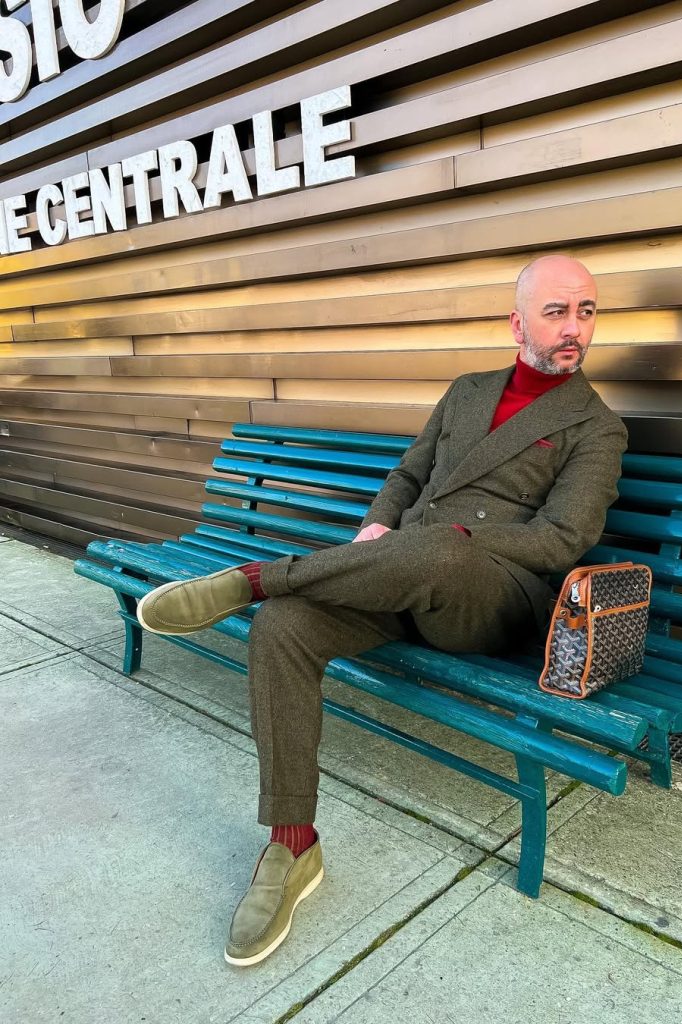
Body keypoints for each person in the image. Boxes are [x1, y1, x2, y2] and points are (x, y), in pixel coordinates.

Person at [136, 254, 628, 967]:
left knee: (439, 549)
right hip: (401, 572)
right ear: (517, 323)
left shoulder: (595, 426)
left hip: (491, 595)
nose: (574, 328)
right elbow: (407, 475)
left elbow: (561, 539)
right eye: (556, 312)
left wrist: (453, 537)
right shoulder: (466, 390)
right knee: (284, 627)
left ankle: (254, 579)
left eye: (586, 311)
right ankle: (292, 844)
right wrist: (376, 527)